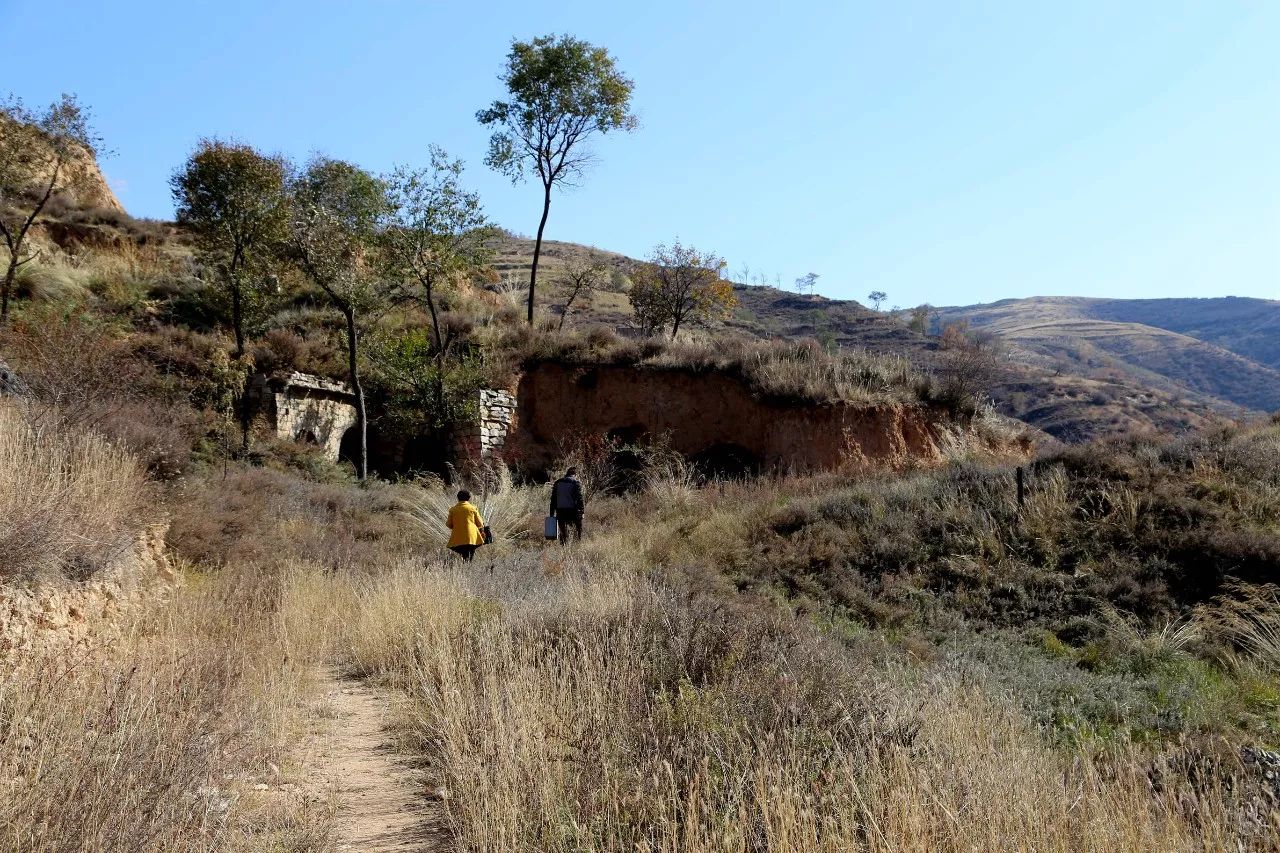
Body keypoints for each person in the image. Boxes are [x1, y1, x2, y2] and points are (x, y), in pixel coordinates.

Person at [446, 490, 486, 562]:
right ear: (469, 498)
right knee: (470, 554)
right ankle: (468, 568)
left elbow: (448, 524)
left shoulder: (452, 510)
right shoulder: (473, 508)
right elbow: (480, 524)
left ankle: (465, 566)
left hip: (458, 538)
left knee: (464, 554)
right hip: (472, 537)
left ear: (458, 498)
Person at [549, 467, 585, 545]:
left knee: (563, 532)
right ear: (575, 474)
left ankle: (563, 547)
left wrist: (551, 513)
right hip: (572, 510)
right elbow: (579, 498)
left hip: (560, 511)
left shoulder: (557, 482)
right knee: (578, 528)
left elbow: (553, 499)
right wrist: (582, 511)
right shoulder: (576, 482)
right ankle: (577, 544)